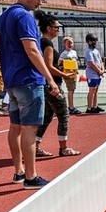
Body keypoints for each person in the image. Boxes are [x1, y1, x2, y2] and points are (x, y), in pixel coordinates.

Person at [0, 0, 60, 189]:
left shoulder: (5, 15)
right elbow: (32, 49)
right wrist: (49, 78)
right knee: (30, 128)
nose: (39, 3)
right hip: (28, 80)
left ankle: (19, 171)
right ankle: (31, 177)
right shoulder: (24, 16)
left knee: (15, 127)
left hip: (12, 80)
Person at [32, 11, 81, 159]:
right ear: (48, 28)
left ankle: (36, 147)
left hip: (45, 84)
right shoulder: (47, 43)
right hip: (51, 85)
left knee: (47, 116)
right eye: (56, 27)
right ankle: (64, 148)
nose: (58, 29)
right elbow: (48, 66)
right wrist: (65, 74)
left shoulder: (40, 42)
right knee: (64, 115)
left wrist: (59, 66)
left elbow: (48, 64)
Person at [58, 36, 81, 114]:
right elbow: (59, 63)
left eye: (71, 42)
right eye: (68, 43)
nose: (70, 44)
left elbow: (75, 62)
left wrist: (76, 70)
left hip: (74, 73)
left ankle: (71, 106)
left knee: (72, 89)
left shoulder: (74, 52)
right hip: (68, 73)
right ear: (64, 44)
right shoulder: (64, 54)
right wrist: (66, 63)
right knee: (70, 89)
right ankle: (71, 107)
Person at [84, 34, 105, 114]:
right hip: (91, 74)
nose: (94, 42)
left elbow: (100, 61)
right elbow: (91, 63)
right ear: (88, 42)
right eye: (93, 41)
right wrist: (99, 70)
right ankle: (89, 108)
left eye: (95, 41)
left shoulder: (96, 51)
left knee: (96, 90)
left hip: (97, 74)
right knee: (92, 90)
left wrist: (102, 69)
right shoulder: (88, 51)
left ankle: (95, 106)